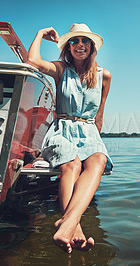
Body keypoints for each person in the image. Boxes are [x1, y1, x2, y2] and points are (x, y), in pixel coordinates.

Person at [27, 23, 113, 253]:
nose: (80, 45)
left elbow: (100, 114)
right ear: (67, 47)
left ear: (92, 46)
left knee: (99, 160)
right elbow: (33, 62)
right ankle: (74, 228)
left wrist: (97, 143)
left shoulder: (104, 75)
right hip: (62, 129)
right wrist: (40, 33)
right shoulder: (60, 69)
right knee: (72, 163)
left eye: (85, 40)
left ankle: (66, 222)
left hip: (89, 131)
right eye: (74, 41)